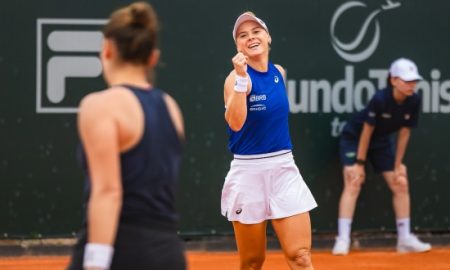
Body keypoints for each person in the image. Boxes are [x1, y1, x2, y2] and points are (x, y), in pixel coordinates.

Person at [67, 2, 186, 270]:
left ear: (107, 49)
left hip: (121, 252)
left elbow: (108, 192)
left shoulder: (99, 105)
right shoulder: (171, 107)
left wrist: (96, 262)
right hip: (170, 254)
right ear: (152, 58)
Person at [221, 12, 317, 270]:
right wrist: (242, 79)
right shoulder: (235, 79)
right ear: (238, 46)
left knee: (300, 256)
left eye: (256, 31)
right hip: (248, 172)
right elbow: (236, 122)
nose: (251, 37)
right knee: (252, 262)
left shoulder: (279, 72)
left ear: (268, 37)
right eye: (243, 35)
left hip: (284, 169)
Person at [332, 58, 432, 255]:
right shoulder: (380, 99)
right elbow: (366, 133)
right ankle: (342, 239)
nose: (412, 85)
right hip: (355, 138)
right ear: (394, 80)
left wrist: (398, 165)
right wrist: (359, 164)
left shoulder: (414, 100)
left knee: (400, 183)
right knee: (353, 181)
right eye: (407, 80)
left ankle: (404, 240)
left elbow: (404, 133)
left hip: (382, 142)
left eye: (414, 81)